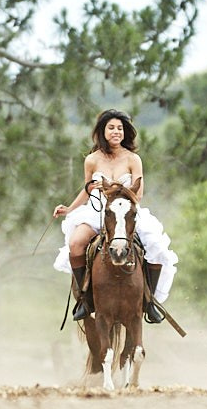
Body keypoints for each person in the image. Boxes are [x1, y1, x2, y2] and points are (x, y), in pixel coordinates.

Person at [52, 109, 178, 324]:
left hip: (126, 210)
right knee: (75, 244)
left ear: (125, 132)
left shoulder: (133, 159)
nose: (116, 132)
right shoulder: (92, 160)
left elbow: (137, 193)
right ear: (102, 131)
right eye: (111, 128)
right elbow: (87, 189)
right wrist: (70, 209)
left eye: (120, 128)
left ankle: (149, 303)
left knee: (156, 245)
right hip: (97, 211)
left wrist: (114, 189)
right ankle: (85, 298)